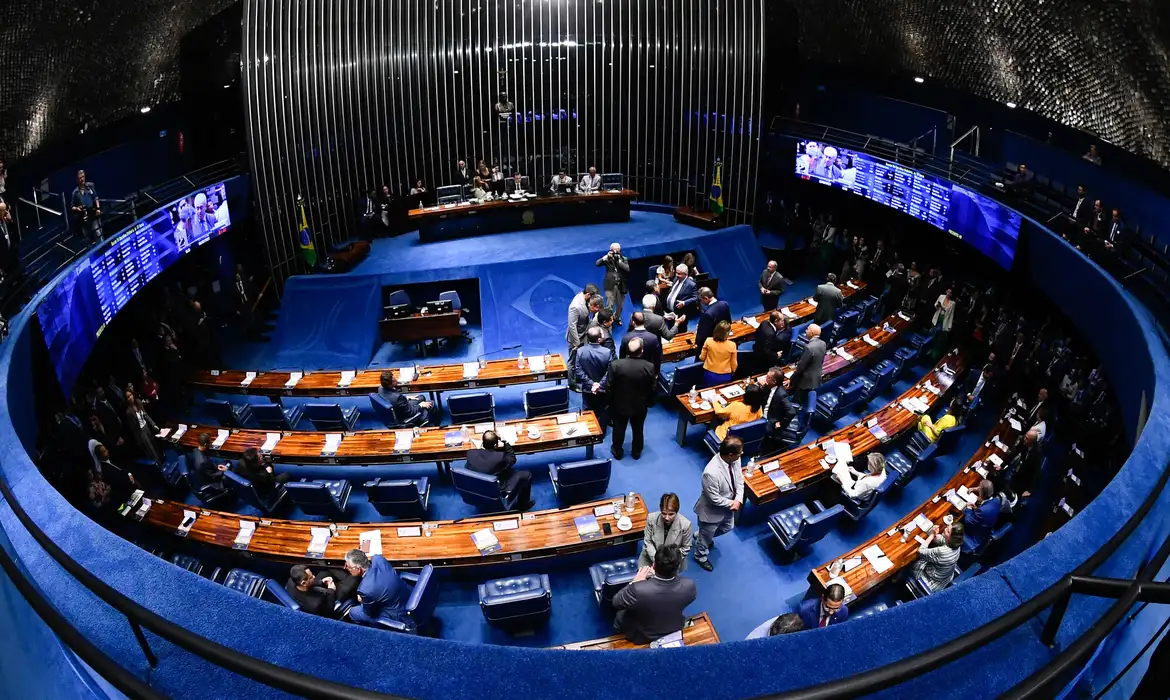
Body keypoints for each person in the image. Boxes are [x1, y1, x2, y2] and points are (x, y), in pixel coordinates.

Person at [611, 544, 697, 644]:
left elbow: (616, 601)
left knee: (620, 614)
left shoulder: (637, 589)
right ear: (678, 567)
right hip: (673, 628)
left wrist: (634, 582)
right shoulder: (689, 585)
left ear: (654, 565)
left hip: (643, 635)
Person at [692, 436, 744, 571]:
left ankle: (701, 535)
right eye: (740, 452)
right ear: (731, 454)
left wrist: (738, 499)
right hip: (711, 511)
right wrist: (732, 503)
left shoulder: (735, 460)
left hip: (729, 507)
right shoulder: (711, 473)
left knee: (727, 528)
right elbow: (713, 498)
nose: (742, 454)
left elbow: (739, 480)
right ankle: (700, 556)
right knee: (705, 540)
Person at [602, 336, 656, 460]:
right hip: (640, 405)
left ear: (627, 350)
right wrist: (649, 402)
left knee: (619, 428)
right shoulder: (649, 367)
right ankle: (636, 452)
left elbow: (609, 387)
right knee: (638, 429)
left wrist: (609, 404)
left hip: (619, 404)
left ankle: (617, 451)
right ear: (641, 351)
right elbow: (652, 388)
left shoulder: (616, 365)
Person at [465, 430, 534, 511]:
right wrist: (505, 442)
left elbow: (468, 467)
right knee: (527, 475)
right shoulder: (500, 457)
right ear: (495, 445)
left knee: (505, 470)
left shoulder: (470, 454)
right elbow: (512, 459)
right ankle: (523, 505)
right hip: (498, 488)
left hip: (478, 488)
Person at [343, 549, 408, 626]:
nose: (345, 568)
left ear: (358, 569)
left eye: (348, 567)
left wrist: (362, 601)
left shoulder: (365, 590)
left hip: (395, 613)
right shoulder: (378, 559)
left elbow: (369, 613)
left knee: (353, 612)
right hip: (405, 593)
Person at [637, 493, 694, 569]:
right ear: (660, 510)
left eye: (671, 514)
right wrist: (657, 561)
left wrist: (668, 563)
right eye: (664, 513)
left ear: (677, 512)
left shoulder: (686, 525)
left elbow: (685, 548)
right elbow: (648, 541)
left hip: (671, 564)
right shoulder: (651, 518)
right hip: (650, 558)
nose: (667, 518)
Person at [574, 327, 615, 429]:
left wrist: (591, 384)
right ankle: (601, 431)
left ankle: (590, 431)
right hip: (603, 389)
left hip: (588, 389)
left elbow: (578, 371)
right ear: (599, 339)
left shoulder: (580, 351)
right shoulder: (607, 352)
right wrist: (599, 384)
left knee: (588, 410)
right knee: (603, 409)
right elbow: (610, 371)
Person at [909, 521, 964, 594]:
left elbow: (921, 551)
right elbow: (942, 540)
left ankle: (899, 576)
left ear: (952, 538)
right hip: (944, 578)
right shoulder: (957, 544)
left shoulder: (942, 551)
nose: (945, 529)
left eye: (947, 531)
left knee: (914, 560)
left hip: (931, 582)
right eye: (947, 526)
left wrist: (931, 535)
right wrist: (935, 534)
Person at [285, 564, 358, 618]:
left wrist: (321, 581)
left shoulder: (291, 581)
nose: (314, 576)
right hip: (328, 599)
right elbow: (329, 611)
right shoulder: (315, 605)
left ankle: (345, 576)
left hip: (314, 589)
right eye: (311, 577)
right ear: (303, 583)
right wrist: (331, 590)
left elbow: (309, 585)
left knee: (325, 571)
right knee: (353, 579)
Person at [759, 366, 798, 454]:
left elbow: (792, 412)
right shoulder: (770, 386)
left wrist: (781, 423)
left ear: (774, 382)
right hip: (763, 411)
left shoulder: (781, 394)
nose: (765, 378)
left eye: (768, 377)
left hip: (771, 419)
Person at [962, 480, 1005, 553]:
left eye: (979, 488)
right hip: (987, 526)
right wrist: (976, 508)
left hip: (975, 535)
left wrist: (968, 509)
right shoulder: (997, 500)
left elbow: (968, 521)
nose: (978, 488)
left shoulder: (983, 511)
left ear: (981, 493)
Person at [789, 323, 827, 404]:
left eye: (807, 329)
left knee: (798, 400)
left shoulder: (809, 348)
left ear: (812, 333)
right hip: (816, 377)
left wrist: (791, 378)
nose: (805, 331)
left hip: (805, 381)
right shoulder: (823, 343)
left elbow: (800, 367)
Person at [566, 283, 602, 366]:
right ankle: (571, 379)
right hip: (576, 338)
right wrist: (576, 344)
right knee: (572, 363)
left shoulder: (584, 298)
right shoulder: (575, 306)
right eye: (593, 297)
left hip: (583, 333)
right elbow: (572, 326)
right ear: (588, 294)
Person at [595, 242, 630, 325]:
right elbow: (597, 263)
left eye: (618, 251)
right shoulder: (607, 259)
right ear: (610, 250)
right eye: (614, 251)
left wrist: (619, 261)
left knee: (620, 305)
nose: (616, 252)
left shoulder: (623, 258)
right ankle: (608, 320)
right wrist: (605, 258)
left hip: (621, 285)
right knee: (609, 305)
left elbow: (627, 269)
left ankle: (617, 317)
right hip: (610, 284)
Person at [621, 312, 663, 377]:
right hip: (647, 369)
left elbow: (622, 356)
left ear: (633, 322)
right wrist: (656, 372)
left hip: (630, 369)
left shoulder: (626, 338)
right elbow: (657, 357)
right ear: (644, 321)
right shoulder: (653, 338)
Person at [693, 287, 731, 356]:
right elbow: (728, 323)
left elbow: (702, 338)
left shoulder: (707, 314)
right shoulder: (725, 304)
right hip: (725, 342)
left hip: (712, 349)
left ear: (706, 298)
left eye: (701, 300)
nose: (700, 302)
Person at [699, 320, 737, 386]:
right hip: (725, 375)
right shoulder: (732, 345)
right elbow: (734, 363)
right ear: (727, 333)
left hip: (710, 374)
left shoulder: (708, 341)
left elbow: (702, 357)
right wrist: (733, 371)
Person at [124, 393, 160, 462]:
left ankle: (161, 460)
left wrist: (153, 424)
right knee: (151, 451)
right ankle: (158, 466)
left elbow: (145, 415)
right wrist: (139, 439)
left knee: (155, 445)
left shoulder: (138, 402)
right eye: (128, 397)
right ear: (126, 399)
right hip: (141, 433)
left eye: (131, 395)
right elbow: (133, 428)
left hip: (147, 427)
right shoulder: (129, 412)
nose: (130, 398)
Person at [70, 169, 103, 243]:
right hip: (83, 217)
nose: (82, 179)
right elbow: (72, 206)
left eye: (83, 177)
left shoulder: (90, 186)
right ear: (77, 180)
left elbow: (95, 197)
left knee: (98, 233)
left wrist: (98, 208)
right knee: (87, 238)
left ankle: (102, 247)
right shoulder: (75, 193)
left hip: (93, 213)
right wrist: (77, 208)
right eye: (80, 178)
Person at [664, 264, 698, 330]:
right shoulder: (676, 278)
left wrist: (684, 302)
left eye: (679, 274)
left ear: (685, 274)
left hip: (681, 314)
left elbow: (696, 298)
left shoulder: (691, 285)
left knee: (680, 331)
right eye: (676, 272)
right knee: (671, 330)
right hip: (670, 312)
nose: (677, 275)